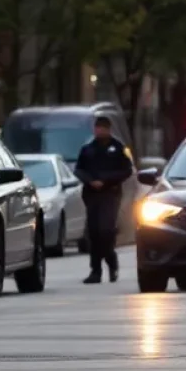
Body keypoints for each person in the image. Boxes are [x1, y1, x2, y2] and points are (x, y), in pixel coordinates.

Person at [75, 115, 134, 285]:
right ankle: (96, 270)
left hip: (110, 194)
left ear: (108, 129)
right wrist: (90, 180)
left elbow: (127, 170)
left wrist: (107, 180)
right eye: (97, 128)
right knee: (93, 233)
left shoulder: (118, 148)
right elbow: (79, 169)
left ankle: (111, 260)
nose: (99, 131)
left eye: (102, 128)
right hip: (92, 195)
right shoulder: (87, 149)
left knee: (106, 230)